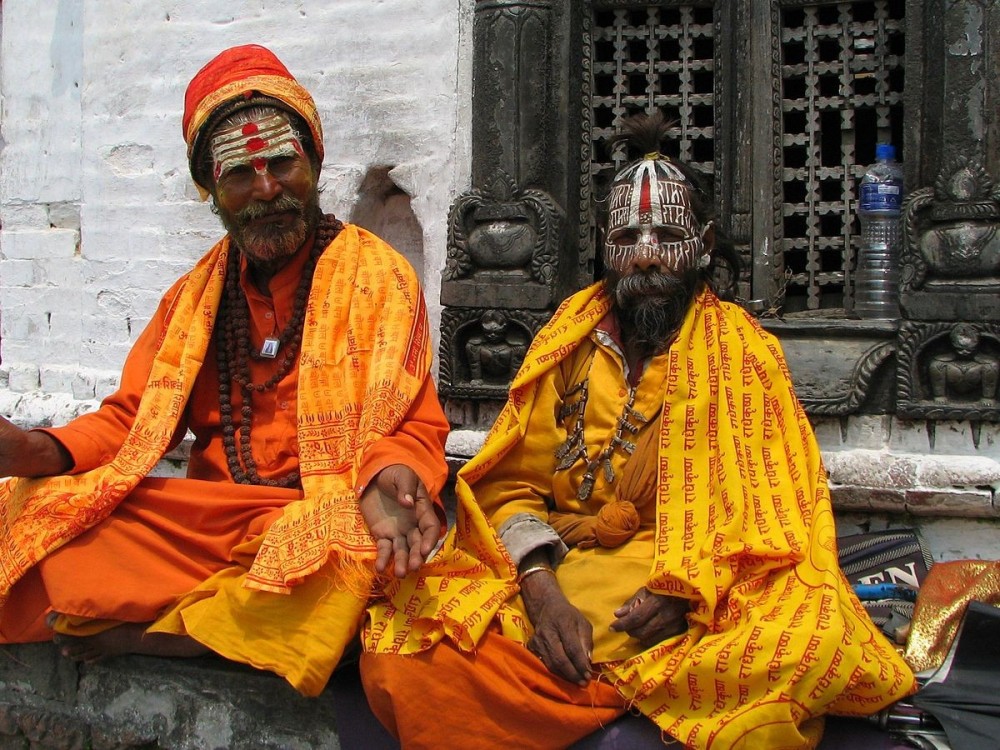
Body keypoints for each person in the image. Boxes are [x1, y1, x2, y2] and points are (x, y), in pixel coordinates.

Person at [360, 111, 917, 749]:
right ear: (603, 244)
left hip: (702, 600)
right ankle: (608, 692)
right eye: (628, 235)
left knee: (814, 638)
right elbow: (508, 487)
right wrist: (541, 590)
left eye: (667, 233)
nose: (647, 254)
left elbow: (777, 512)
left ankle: (609, 691)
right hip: (562, 581)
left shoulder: (743, 350)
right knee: (402, 652)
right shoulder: (569, 340)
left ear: (704, 244)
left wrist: (687, 590)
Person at [0, 44, 449, 698]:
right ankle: (227, 620)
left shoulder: (380, 277)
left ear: (314, 164)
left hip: (326, 515)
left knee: (362, 561)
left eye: (281, 164)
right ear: (211, 191)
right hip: (210, 525)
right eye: (240, 173)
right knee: (37, 512)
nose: (266, 190)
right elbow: (132, 422)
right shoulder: (193, 299)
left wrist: (393, 482)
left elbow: (408, 420)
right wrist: (35, 450)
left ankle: (158, 632)